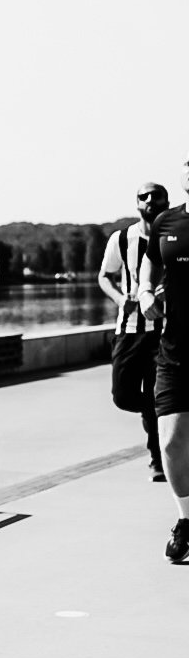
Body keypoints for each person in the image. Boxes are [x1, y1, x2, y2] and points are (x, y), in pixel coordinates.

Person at [97, 183, 169, 480]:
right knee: (123, 396)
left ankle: (158, 460)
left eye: (157, 195)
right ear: (136, 203)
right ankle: (160, 409)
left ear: (167, 201)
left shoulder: (176, 237)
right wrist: (118, 298)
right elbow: (104, 276)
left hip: (165, 331)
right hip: (128, 330)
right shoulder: (122, 238)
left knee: (156, 393)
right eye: (144, 196)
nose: (150, 200)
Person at [138, 162, 189, 562]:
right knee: (171, 442)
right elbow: (152, 262)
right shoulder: (166, 222)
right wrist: (144, 290)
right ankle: (185, 519)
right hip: (174, 351)